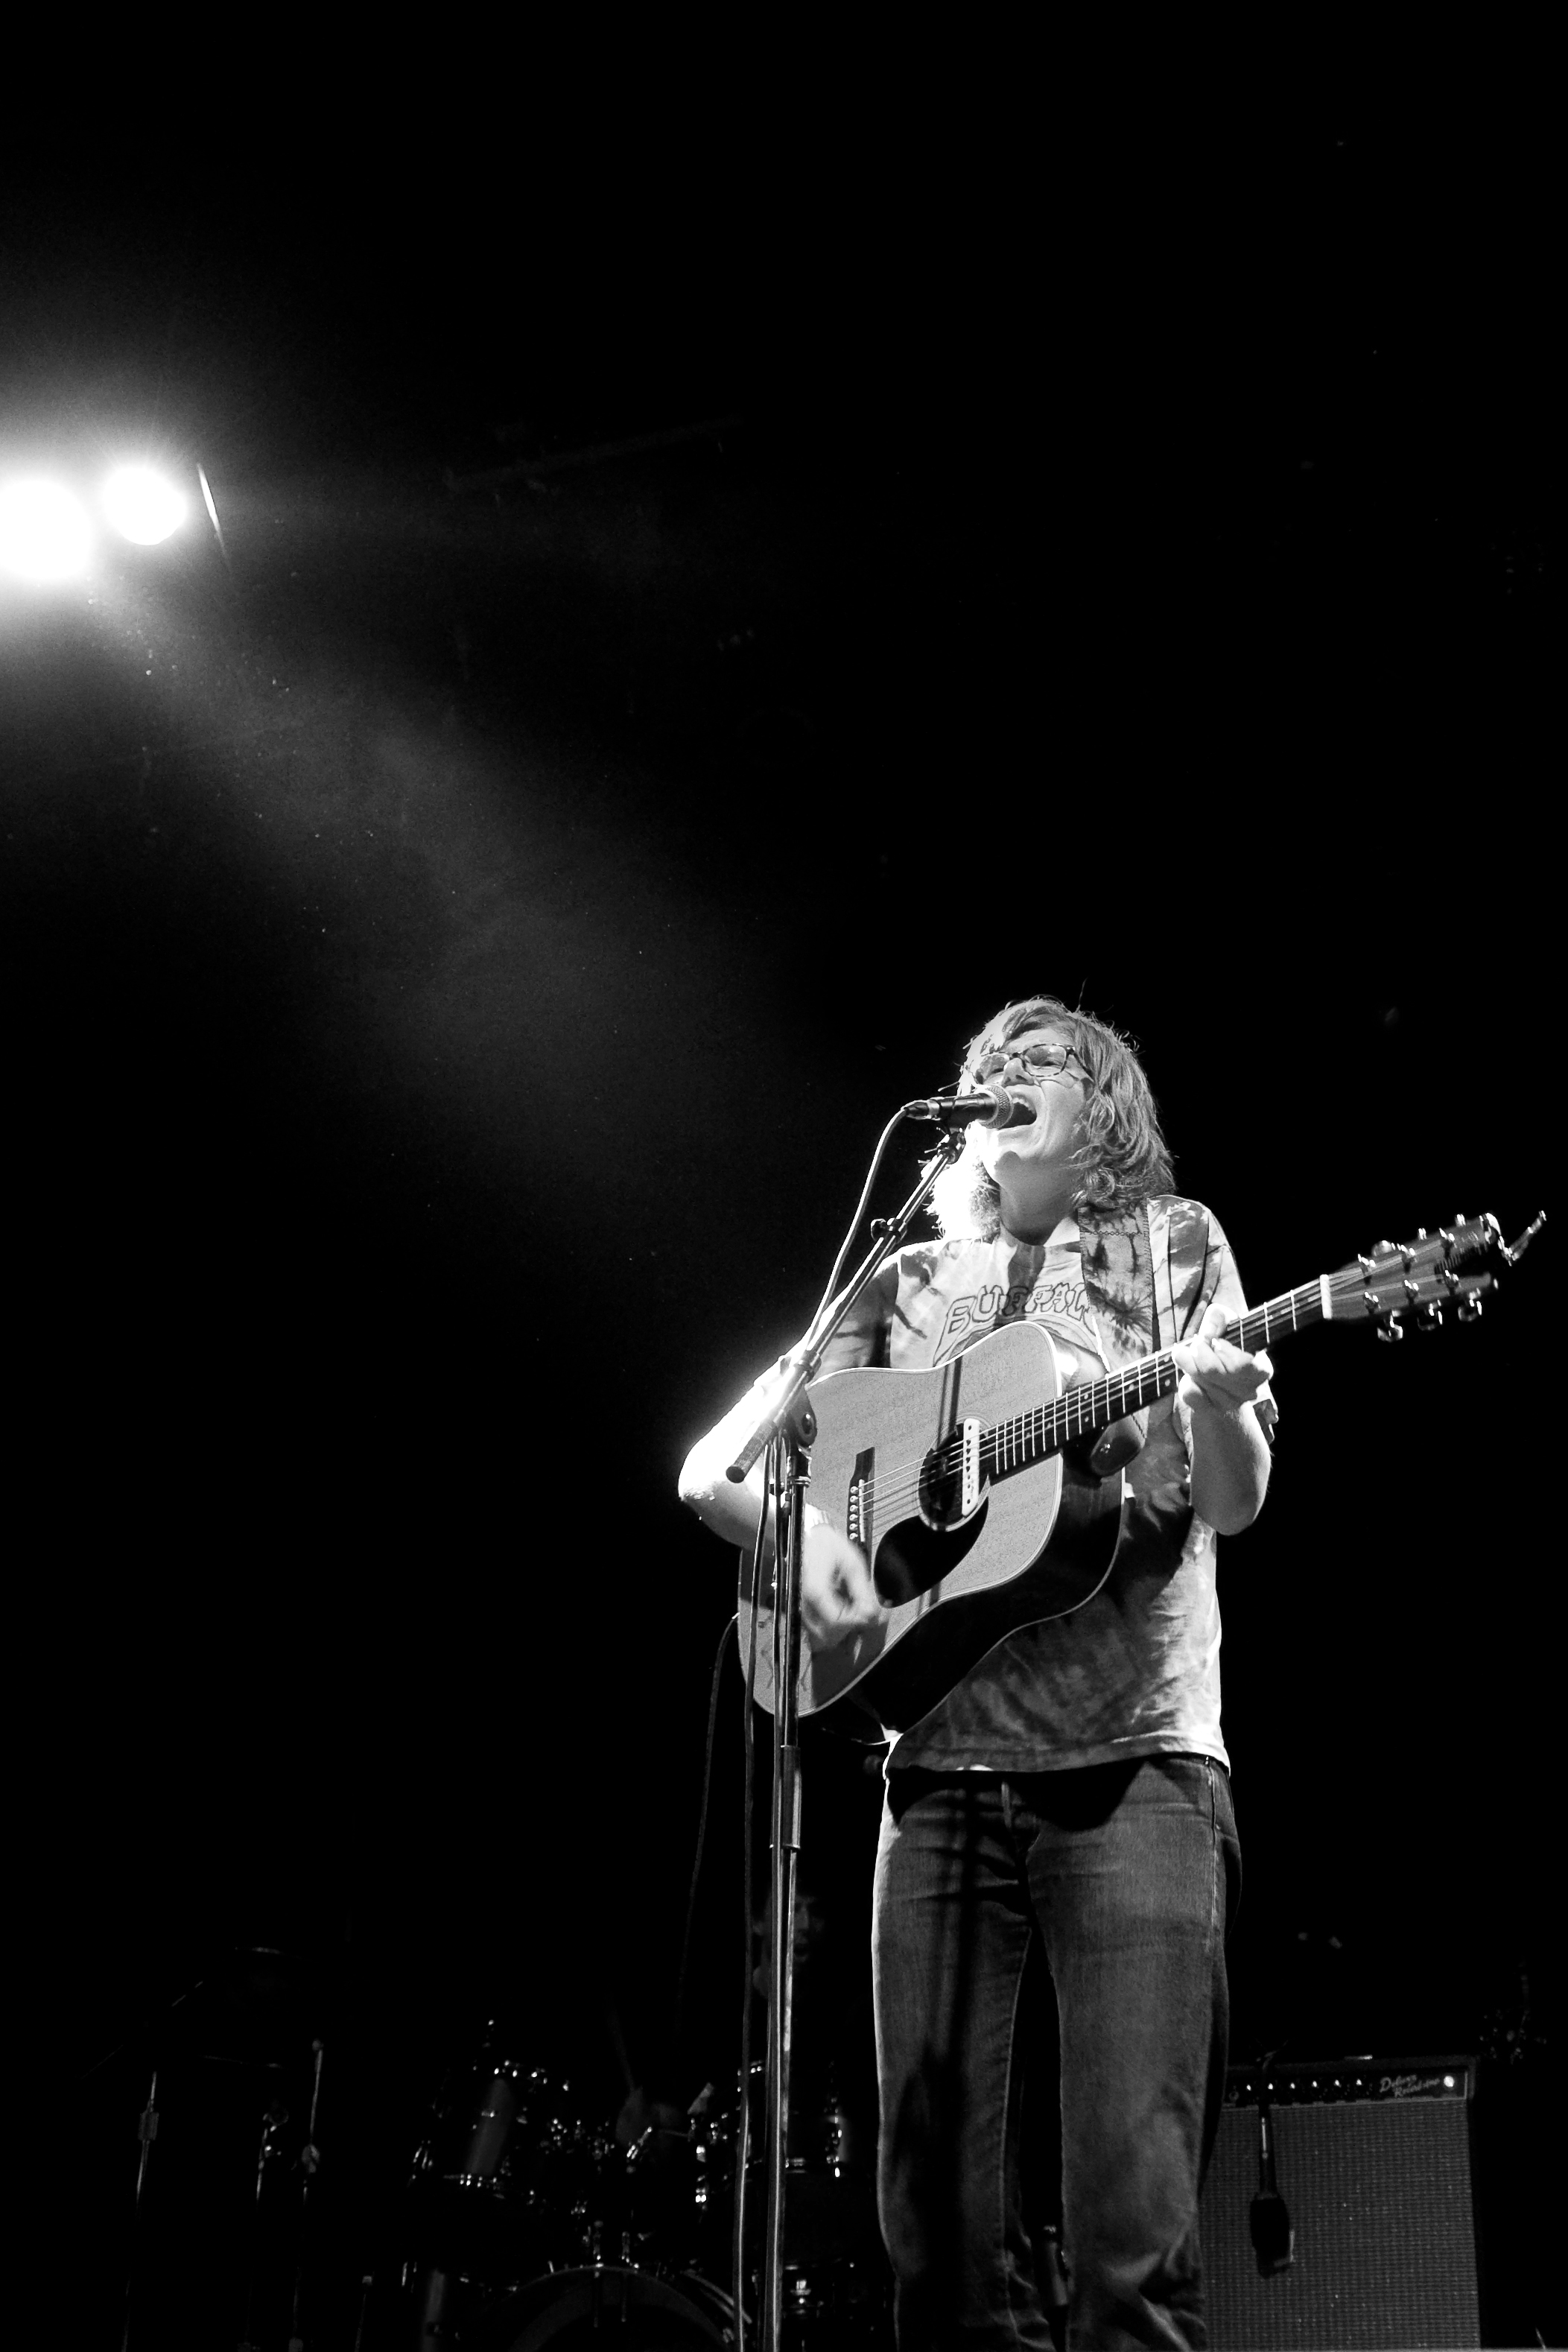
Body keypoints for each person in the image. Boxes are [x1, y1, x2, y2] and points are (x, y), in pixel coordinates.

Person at [679, 994, 1276, 2348]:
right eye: (988, 1065)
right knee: (936, 2249)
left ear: (1104, 1105)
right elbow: (716, 1471)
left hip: (1136, 1768)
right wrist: (828, 1561)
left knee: (1132, 2245)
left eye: (1045, 1062)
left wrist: (1222, 1407)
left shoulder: (1174, 1245)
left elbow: (1234, 1504)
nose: (1009, 1075)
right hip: (938, 1778)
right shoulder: (900, 1281)